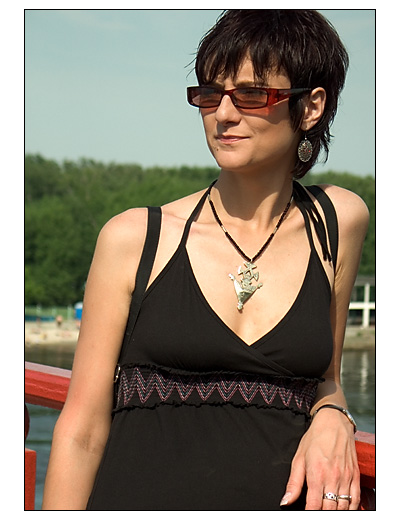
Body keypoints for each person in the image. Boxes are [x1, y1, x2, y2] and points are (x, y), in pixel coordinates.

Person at [42, 10, 369, 511]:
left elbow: (325, 378)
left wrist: (333, 416)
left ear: (310, 106)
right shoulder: (135, 238)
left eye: (252, 94)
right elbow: (81, 430)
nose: (224, 114)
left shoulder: (337, 223)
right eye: (210, 94)